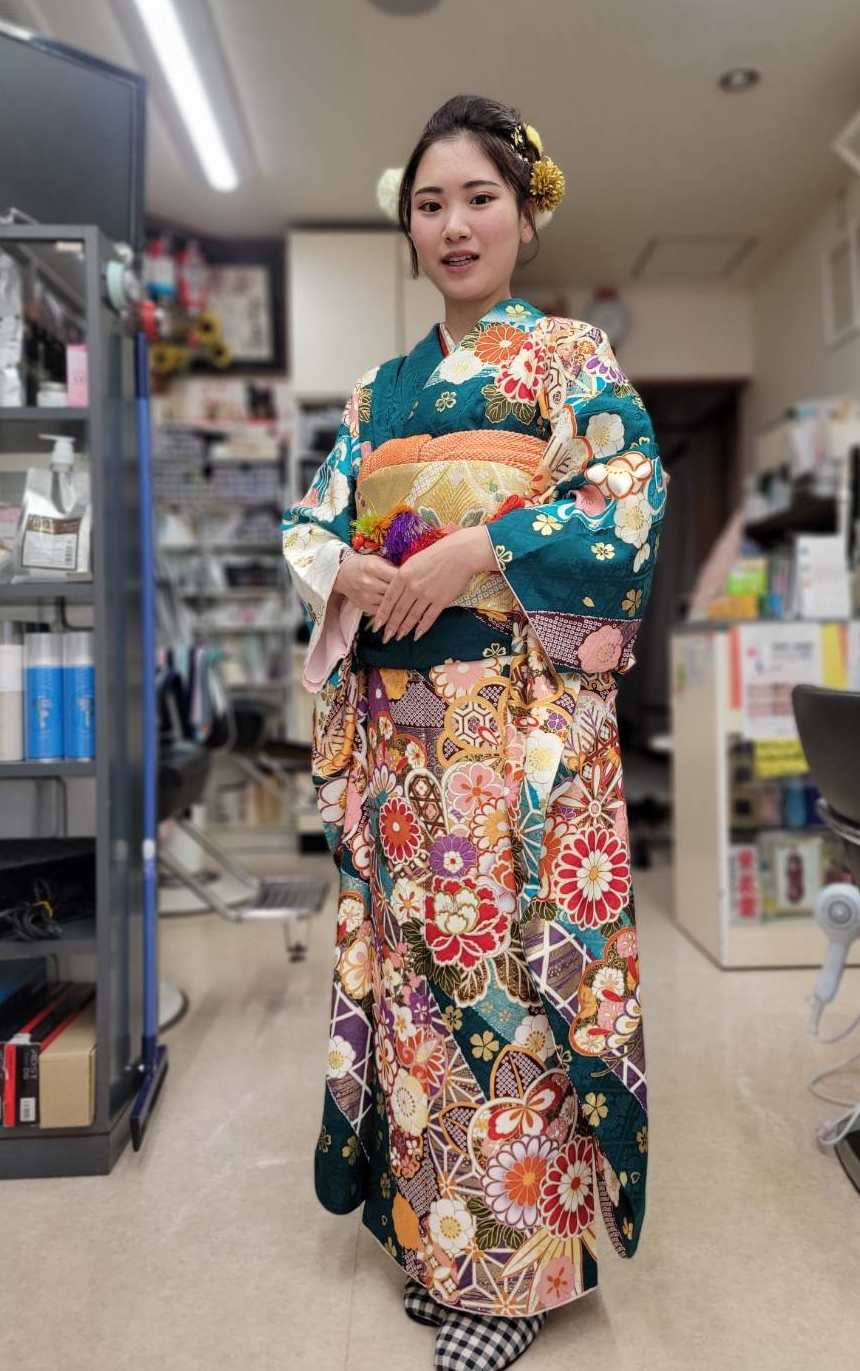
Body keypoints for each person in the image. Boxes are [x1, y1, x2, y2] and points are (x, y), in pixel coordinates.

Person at [282, 94, 667, 1371]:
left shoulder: (567, 357)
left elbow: (625, 496)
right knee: (415, 989)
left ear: (525, 214)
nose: (454, 225)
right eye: (429, 204)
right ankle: (441, 1244)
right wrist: (347, 572)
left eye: (479, 199)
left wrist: (478, 547)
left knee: (507, 983)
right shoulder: (375, 392)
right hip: (401, 744)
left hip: (513, 736)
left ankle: (512, 1281)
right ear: (409, 227)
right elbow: (309, 522)